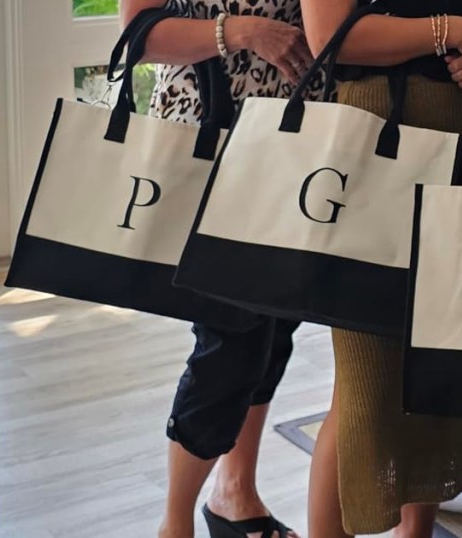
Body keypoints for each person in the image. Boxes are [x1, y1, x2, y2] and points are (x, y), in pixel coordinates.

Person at [298, 1, 462, 537]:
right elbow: (330, 36)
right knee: (365, 385)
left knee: (440, 371)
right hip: (384, 129)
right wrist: (453, 34)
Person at [120, 1, 318, 537]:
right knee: (232, 340)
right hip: (211, 150)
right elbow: (142, 34)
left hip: (300, 149)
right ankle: (174, 522)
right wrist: (246, 32)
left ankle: (236, 493)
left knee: (273, 331)